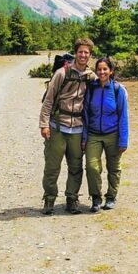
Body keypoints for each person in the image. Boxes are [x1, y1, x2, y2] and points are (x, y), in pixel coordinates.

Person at [39, 38, 96, 215]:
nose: (83, 55)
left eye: (87, 52)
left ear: (90, 55)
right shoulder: (61, 73)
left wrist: (121, 91)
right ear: (76, 53)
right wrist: (44, 124)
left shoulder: (90, 76)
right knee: (52, 166)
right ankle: (49, 200)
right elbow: (48, 100)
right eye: (80, 52)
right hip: (57, 126)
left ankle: (72, 199)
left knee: (76, 167)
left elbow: (106, 83)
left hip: (77, 129)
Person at [81, 57, 129, 213]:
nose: (102, 72)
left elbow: (123, 116)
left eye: (105, 69)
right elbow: (86, 114)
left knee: (114, 168)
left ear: (111, 71)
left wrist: (123, 140)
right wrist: (85, 137)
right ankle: (96, 198)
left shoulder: (117, 90)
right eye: (99, 69)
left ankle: (111, 197)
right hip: (94, 134)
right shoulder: (91, 88)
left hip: (113, 134)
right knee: (91, 167)